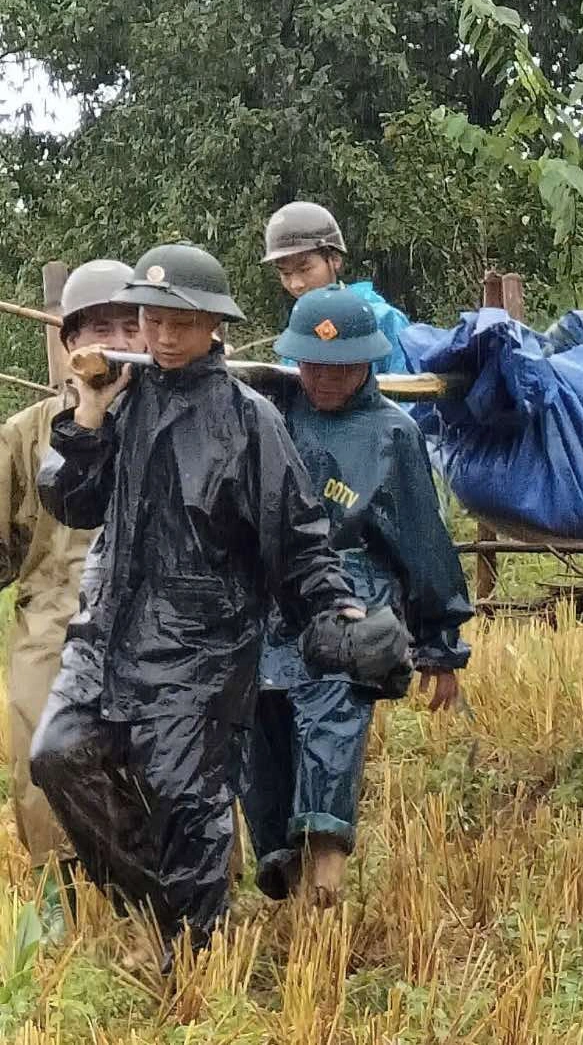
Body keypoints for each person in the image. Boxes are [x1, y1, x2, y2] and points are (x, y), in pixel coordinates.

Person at [27, 243, 381, 966]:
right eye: (150, 317)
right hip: (106, 631)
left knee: (187, 804)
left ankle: (188, 961)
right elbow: (72, 500)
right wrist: (88, 417)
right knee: (58, 757)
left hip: (202, 648)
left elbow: (299, 538)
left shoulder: (249, 421)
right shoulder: (123, 399)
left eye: (178, 321)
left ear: (213, 325)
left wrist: (334, 608)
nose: (160, 334)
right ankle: (169, 915)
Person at [241, 287, 472, 906]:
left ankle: (325, 878)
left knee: (332, 733)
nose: (322, 377)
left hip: (353, 609)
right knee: (261, 746)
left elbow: (424, 542)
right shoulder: (270, 413)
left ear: (367, 362)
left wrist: (440, 645)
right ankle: (281, 869)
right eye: (311, 364)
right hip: (269, 613)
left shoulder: (393, 436)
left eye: (339, 365)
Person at [1, 261, 142, 916]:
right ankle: (61, 901)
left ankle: (173, 901)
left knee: (170, 750)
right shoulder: (26, 435)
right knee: (36, 736)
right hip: (54, 619)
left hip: (152, 618)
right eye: (98, 327)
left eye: (127, 324)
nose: (114, 339)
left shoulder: (182, 419)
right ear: (70, 342)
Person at [262, 200, 412, 375]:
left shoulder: (383, 319)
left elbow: (409, 395)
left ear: (335, 260)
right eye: (286, 274)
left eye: (305, 269)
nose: (296, 284)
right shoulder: (299, 329)